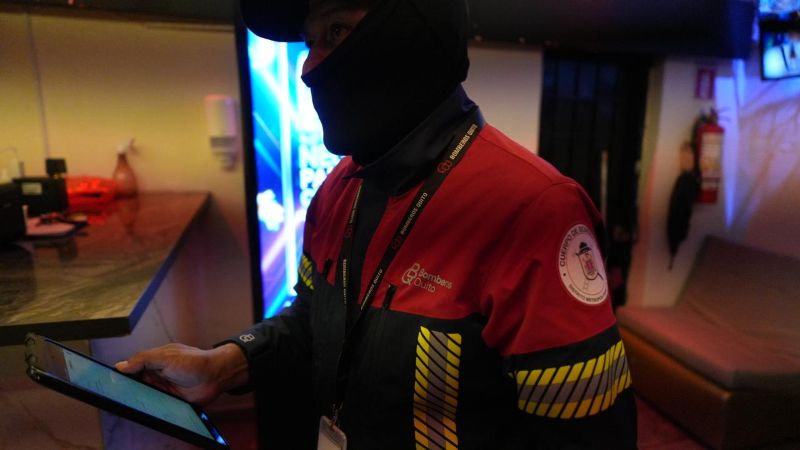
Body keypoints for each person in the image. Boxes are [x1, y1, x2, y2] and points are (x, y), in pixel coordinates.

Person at [116, 0, 638, 448]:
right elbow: (312, 319)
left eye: (337, 30)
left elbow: (587, 438)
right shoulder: (338, 190)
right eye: (309, 42)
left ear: (416, 31)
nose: (309, 67)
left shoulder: (534, 210)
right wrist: (225, 362)